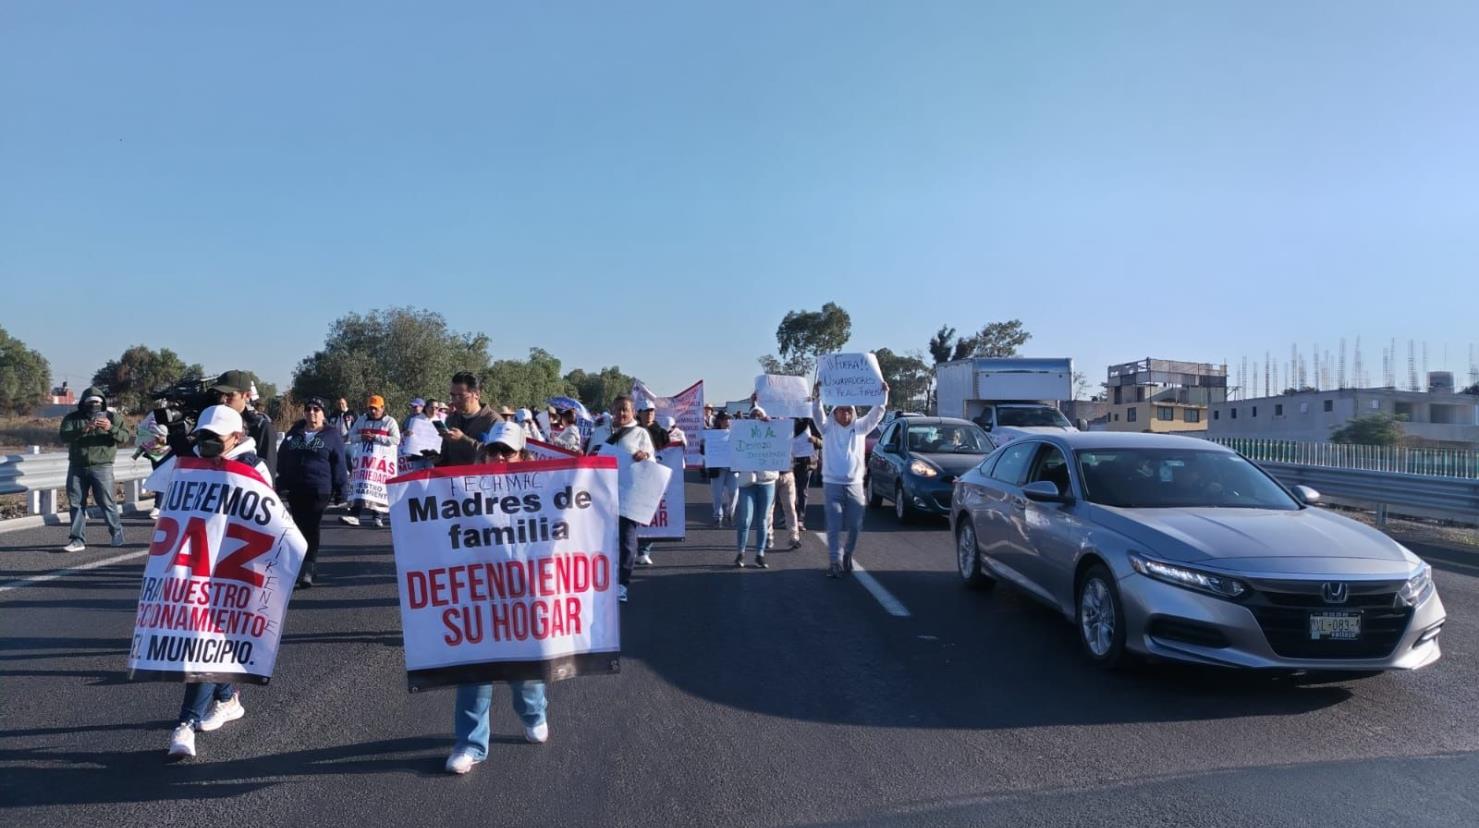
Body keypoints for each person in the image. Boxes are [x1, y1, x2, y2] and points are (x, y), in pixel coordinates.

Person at [444, 421, 549, 774]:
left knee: (524, 673)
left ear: (523, 456)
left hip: (523, 595)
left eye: (508, 451)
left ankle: (534, 712)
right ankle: (470, 743)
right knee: (475, 672)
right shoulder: (462, 491)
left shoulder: (545, 492)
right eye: (494, 450)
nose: (500, 457)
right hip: (478, 594)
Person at [167, 405, 269, 759]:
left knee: (204, 643)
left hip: (232, 570)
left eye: (215, 437)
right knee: (207, 639)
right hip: (196, 565)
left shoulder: (253, 468)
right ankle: (227, 697)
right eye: (203, 435)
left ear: (236, 437)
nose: (207, 442)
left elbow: (266, 519)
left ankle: (185, 724)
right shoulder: (193, 462)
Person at [813, 380, 889, 578]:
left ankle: (847, 555)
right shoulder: (827, 428)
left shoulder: (860, 427)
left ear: (852, 412)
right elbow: (817, 414)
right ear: (835, 412)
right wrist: (818, 395)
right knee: (834, 524)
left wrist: (883, 395)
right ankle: (834, 562)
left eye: (848, 411)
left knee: (855, 525)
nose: (845, 414)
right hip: (832, 484)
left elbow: (877, 414)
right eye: (841, 410)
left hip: (855, 484)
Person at [276, 397, 348, 588]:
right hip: (295, 488)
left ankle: (308, 567)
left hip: (319, 489)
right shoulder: (295, 433)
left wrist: (342, 489)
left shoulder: (332, 435)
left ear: (323, 413)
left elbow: (339, 463)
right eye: (308, 409)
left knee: (311, 526)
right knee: (297, 528)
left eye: (317, 409)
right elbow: (282, 458)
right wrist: (279, 482)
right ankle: (300, 565)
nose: (312, 413)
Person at [587, 395, 653, 604]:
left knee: (627, 541)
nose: (621, 414)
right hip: (601, 496)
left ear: (633, 411)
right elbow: (587, 458)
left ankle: (622, 583)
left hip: (628, 497)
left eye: (625, 409)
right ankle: (601, 581)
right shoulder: (599, 432)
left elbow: (652, 462)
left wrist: (644, 456)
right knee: (600, 540)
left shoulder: (640, 434)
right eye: (617, 409)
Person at [57, 387, 132, 552]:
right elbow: (64, 436)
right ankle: (77, 539)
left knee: (106, 502)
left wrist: (110, 428)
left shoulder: (113, 417)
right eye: (90, 402)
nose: (94, 405)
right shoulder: (73, 418)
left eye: (97, 402)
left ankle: (116, 533)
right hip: (77, 466)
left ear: (103, 403)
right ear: (83, 402)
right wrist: (84, 429)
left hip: (102, 466)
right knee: (76, 503)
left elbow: (125, 437)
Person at [340, 394, 400, 528]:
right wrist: (362, 437)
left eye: (376, 408)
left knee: (378, 488)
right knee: (361, 486)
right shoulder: (362, 420)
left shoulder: (390, 422)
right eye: (370, 408)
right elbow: (351, 436)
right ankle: (355, 515)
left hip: (381, 463)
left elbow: (396, 440)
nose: (373, 411)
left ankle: (378, 517)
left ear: (382, 408)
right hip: (364, 461)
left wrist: (376, 438)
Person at [209, 371, 278, 478]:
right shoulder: (209, 423)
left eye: (230, 395)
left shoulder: (261, 427)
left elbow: (267, 477)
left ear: (246, 395)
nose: (222, 400)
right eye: (219, 394)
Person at [734, 406, 779, 568]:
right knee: (745, 519)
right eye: (753, 416)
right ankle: (741, 552)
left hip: (766, 481)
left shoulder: (772, 431)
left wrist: (772, 424)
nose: (757, 418)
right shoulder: (743, 432)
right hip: (747, 482)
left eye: (759, 415)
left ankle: (760, 554)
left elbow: (783, 434)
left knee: (763, 519)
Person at [632, 404, 672, 567]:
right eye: (646, 411)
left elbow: (669, 449)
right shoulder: (632, 431)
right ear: (639, 414)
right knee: (632, 514)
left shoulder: (661, 432)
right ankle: (631, 547)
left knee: (649, 515)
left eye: (651, 411)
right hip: (634, 476)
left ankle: (644, 551)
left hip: (653, 477)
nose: (649, 414)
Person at [439, 372, 499, 467]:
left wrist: (463, 439)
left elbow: (497, 456)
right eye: (453, 395)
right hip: (454, 479)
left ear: (477, 395)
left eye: (461, 396)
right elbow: (446, 456)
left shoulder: (494, 421)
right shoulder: (451, 419)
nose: (455, 400)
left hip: (481, 479)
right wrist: (437, 460)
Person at [702, 410, 738, 527]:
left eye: (728, 419)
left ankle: (730, 512)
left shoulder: (735, 433)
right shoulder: (712, 434)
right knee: (717, 495)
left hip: (732, 468)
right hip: (717, 468)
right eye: (724, 419)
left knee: (734, 492)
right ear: (719, 421)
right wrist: (704, 445)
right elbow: (703, 451)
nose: (727, 421)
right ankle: (717, 515)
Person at [790, 418, 822, 537]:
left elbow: (822, 442)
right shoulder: (788, 420)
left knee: (802, 491)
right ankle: (788, 517)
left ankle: (800, 519)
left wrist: (814, 440)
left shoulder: (812, 422)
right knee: (789, 492)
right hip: (789, 462)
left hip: (806, 462)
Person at [399, 397, 443, 472]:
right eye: (431, 407)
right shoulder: (416, 420)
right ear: (426, 408)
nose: (434, 410)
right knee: (417, 478)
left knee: (431, 477)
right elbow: (403, 434)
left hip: (432, 457)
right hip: (417, 455)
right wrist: (405, 434)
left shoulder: (439, 422)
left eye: (436, 408)